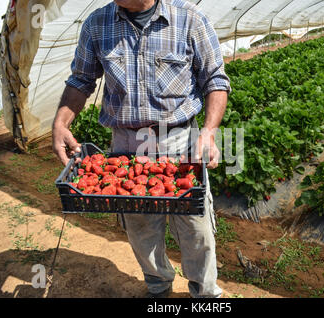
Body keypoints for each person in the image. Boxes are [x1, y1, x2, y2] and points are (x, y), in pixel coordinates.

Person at [51, 0, 230, 298]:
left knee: (195, 229)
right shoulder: (97, 24)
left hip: (179, 142)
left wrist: (209, 132)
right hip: (126, 146)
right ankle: (158, 287)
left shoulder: (189, 20)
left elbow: (215, 80)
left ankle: (205, 293)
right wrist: (61, 122)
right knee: (140, 226)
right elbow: (82, 79)